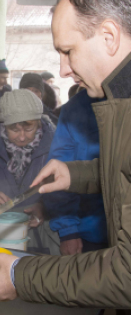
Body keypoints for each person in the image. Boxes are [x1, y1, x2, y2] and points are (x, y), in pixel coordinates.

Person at [0, 0, 131, 311]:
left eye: (68, 51)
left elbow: (127, 276)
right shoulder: (121, 100)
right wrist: (77, 174)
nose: (62, 70)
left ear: (109, 36)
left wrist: (20, 275)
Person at [42, 88, 107, 255]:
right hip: (91, 233)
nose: (64, 71)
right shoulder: (76, 108)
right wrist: (68, 230)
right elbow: (59, 177)